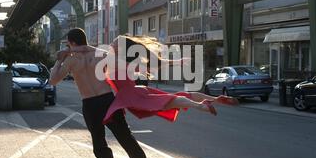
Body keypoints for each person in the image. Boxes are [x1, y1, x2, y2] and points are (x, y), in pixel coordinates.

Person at [49, 28, 152, 158]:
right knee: (125, 137)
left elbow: (53, 81)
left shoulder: (70, 60)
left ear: (71, 42)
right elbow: (125, 68)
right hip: (107, 101)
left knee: (100, 145)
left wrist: (58, 61)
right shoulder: (100, 54)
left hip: (90, 105)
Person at [71, 34, 239, 125]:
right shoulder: (127, 62)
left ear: (119, 48)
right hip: (136, 92)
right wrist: (176, 61)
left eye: (114, 43)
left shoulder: (116, 62)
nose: (111, 45)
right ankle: (216, 99)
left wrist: (73, 52)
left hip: (131, 96)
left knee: (173, 99)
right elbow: (155, 64)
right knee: (178, 97)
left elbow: (91, 52)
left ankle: (201, 106)